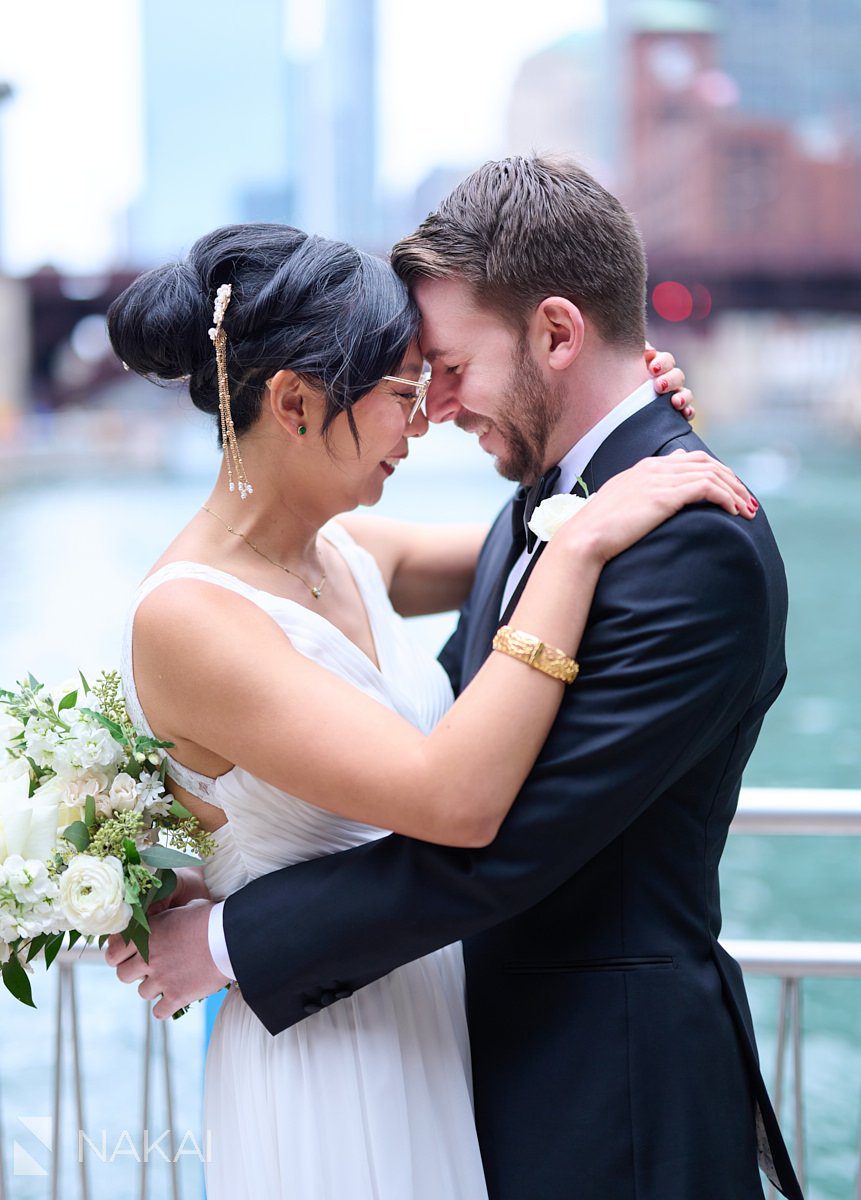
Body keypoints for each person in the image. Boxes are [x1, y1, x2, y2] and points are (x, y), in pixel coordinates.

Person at [102, 175, 772, 1200]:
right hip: (343, 1055)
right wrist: (585, 519)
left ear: (555, 335)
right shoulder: (204, 612)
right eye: (408, 392)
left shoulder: (386, 547)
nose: (433, 417)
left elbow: (501, 794)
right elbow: (462, 775)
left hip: (568, 1074)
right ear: (294, 403)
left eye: (443, 374)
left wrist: (619, 438)